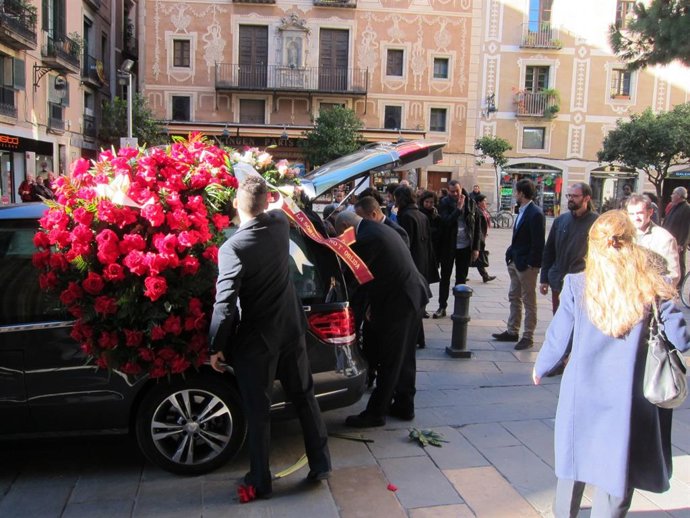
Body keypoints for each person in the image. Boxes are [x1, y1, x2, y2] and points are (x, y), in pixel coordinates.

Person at [533, 210, 689, 518]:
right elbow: (682, 340)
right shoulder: (652, 285)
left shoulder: (577, 283)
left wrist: (541, 366)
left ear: (592, 245)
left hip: (583, 390)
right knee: (618, 475)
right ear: (631, 243)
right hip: (629, 399)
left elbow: (559, 336)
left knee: (572, 465)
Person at [208, 176, 331, 499]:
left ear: (236, 204)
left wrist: (216, 346)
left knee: (259, 412)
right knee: (304, 396)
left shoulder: (232, 247)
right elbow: (280, 205)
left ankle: (260, 480)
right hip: (291, 329)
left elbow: (224, 305)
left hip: (257, 341)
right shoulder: (278, 223)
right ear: (266, 203)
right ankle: (321, 463)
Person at [335, 210, 430, 427]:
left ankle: (376, 413)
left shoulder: (366, 239)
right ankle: (405, 405)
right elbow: (377, 273)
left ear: (345, 228)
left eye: (341, 235)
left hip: (401, 300)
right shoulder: (374, 228)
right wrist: (372, 306)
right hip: (410, 295)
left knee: (391, 358)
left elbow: (356, 278)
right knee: (404, 356)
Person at [492, 179, 545, 350]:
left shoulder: (535, 213)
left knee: (529, 300)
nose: (515, 194)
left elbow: (538, 243)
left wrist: (532, 264)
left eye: (516, 191)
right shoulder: (521, 211)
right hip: (516, 261)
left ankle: (528, 335)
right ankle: (512, 330)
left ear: (521, 193)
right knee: (514, 296)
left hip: (526, 265)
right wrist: (510, 255)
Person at [540, 182, 598, 314]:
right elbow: (549, 251)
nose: (571, 199)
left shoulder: (597, 223)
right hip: (559, 280)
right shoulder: (560, 220)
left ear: (587, 198)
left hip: (582, 283)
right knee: (559, 318)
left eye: (575, 196)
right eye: (569, 195)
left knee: (579, 321)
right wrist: (544, 279)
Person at [394, 185, 439, 348]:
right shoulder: (420, 215)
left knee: (411, 304)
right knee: (416, 304)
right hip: (423, 263)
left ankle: (415, 338)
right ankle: (419, 338)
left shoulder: (406, 216)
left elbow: (405, 244)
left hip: (412, 264)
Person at [433, 179, 480, 318]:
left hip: (465, 246)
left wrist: (476, 248)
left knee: (461, 278)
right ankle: (442, 306)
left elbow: (476, 227)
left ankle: (459, 308)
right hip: (448, 246)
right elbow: (446, 222)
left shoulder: (471, 202)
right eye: (452, 191)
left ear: (461, 188)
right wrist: (458, 209)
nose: (454, 194)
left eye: (457, 191)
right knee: (445, 277)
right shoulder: (443, 203)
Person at [627, 193, 680, 285]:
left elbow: (673, 275)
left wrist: (653, 290)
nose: (636, 218)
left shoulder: (665, 239)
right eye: (631, 214)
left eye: (640, 213)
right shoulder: (623, 234)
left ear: (650, 212)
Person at [662, 186, 690, 283]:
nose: (671, 195)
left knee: (679, 264)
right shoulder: (675, 206)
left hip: (678, 243)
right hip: (669, 241)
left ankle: (679, 285)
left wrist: (682, 244)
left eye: (673, 193)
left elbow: (687, 228)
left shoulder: (687, 209)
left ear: (679, 196)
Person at [473, 194, 496, 283]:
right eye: (484, 201)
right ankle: (485, 276)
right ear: (479, 202)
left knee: (476, 257)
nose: (485, 203)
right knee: (479, 256)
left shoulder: (483, 211)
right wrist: (481, 238)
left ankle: (463, 273)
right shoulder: (478, 212)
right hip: (479, 237)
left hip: (482, 236)